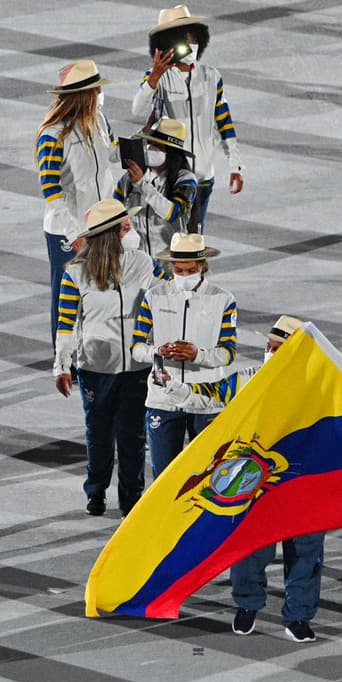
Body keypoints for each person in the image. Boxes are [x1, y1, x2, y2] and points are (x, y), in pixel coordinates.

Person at [156, 315, 324, 642]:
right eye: (269, 346)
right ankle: (247, 605)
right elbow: (210, 394)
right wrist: (176, 389)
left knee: (305, 551)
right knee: (248, 547)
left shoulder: (320, 389)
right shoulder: (248, 379)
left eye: (279, 348)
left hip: (303, 481)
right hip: (255, 481)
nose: (270, 353)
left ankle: (299, 616)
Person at [53, 200, 165, 516]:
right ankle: (96, 491)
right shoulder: (75, 273)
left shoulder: (142, 262)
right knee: (99, 436)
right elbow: (65, 323)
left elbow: (168, 294)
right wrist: (62, 365)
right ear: (111, 234)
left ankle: (132, 501)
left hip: (136, 367)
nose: (130, 230)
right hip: (94, 367)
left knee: (132, 437)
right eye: (125, 226)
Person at [131, 232, 237, 477]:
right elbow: (137, 348)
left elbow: (228, 353)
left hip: (207, 398)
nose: (184, 276)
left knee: (210, 475)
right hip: (164, 397)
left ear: (202, 267)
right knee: (164, 476)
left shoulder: (223, 299)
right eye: (179, 270)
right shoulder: (153, 297)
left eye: (190, 271)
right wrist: (159, 351)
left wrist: (196, 354)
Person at [132, 5, 244, 231]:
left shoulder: (212, 76)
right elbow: (137, 109)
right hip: (171, 176)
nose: (190, 45)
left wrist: (236, 166)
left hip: (204, 175)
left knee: (194, 240)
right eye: (183, 40)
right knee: (166, 240)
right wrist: (154, 78)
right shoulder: (157, 78)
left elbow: (224, 122)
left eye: (193, 39)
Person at [36, 59, 120, 345]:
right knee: (65, 290)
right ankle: (63, 356)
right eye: (96, 89)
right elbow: (51, 190)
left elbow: (112, 156)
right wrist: (74, 233)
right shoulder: (52, 134)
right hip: (67, 229)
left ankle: (93, 347)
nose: (100, 94)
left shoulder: (100, 121)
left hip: (101, 221)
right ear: (83, 94)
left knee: (100, 286)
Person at [112, 118, 197, 257]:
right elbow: (115, 209)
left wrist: (142, 184)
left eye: (158, 146)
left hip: (169, 258)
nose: (150, 148)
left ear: (172, 151)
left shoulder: (185, 179)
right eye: (149, 143)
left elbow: (172, 213)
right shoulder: (129, 178)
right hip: (137, 258)